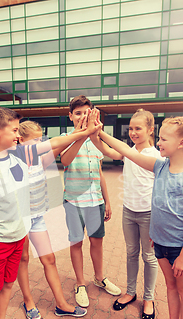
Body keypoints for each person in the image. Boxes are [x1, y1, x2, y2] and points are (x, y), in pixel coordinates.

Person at [0, 107, 96, 319]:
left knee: (8, 284)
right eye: (13, 130)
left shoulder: (19, 156)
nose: (17, 135)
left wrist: (84, 132)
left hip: (19, 234)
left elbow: (56, 143)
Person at [95, 115, 183, 319]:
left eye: (164, 139)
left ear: (182, 143)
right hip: (161, 242)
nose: (159, 144)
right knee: (170, 287)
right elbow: (125, 150)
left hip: (182, 249)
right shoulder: (160, 166)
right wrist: (99, 132)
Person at [89, 109, 160, 319]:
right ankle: (131, 292)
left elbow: (120, 149)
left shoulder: (154, 155)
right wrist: (93, 134)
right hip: (129, 211)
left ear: (150, 130)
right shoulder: (129, 151)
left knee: (149, 257)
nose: (133, 132)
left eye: (138, 128)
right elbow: (109, 151)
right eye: (130, 128)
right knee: (131, 253)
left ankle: (149, 299)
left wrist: (100, 131)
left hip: (148, 214)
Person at [16, 120, 87, 319]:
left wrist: (81, 132)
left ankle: (61, 304)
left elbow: (60, 145)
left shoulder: (41, 159)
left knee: (49, 259)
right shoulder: (18, 156)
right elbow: (55, 142)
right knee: (23, 259)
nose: (41, 142)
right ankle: (28, 300)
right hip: (21, 219)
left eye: (41, 138)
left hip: (37, 218)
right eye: (36, 140)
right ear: (21, 141)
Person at [60, 95, 121, 307]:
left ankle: (99, 277)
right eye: (78, 113)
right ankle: (80, 283)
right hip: (73, 202)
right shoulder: (65, 137)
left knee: (97, 242)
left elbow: (100, 173)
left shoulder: (97, 141)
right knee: (76, 242)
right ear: (70, 116)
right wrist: (81, 135)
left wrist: (108, 201)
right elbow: (65, 160)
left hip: (95, 201)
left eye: (86, 113)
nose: (82, 117)